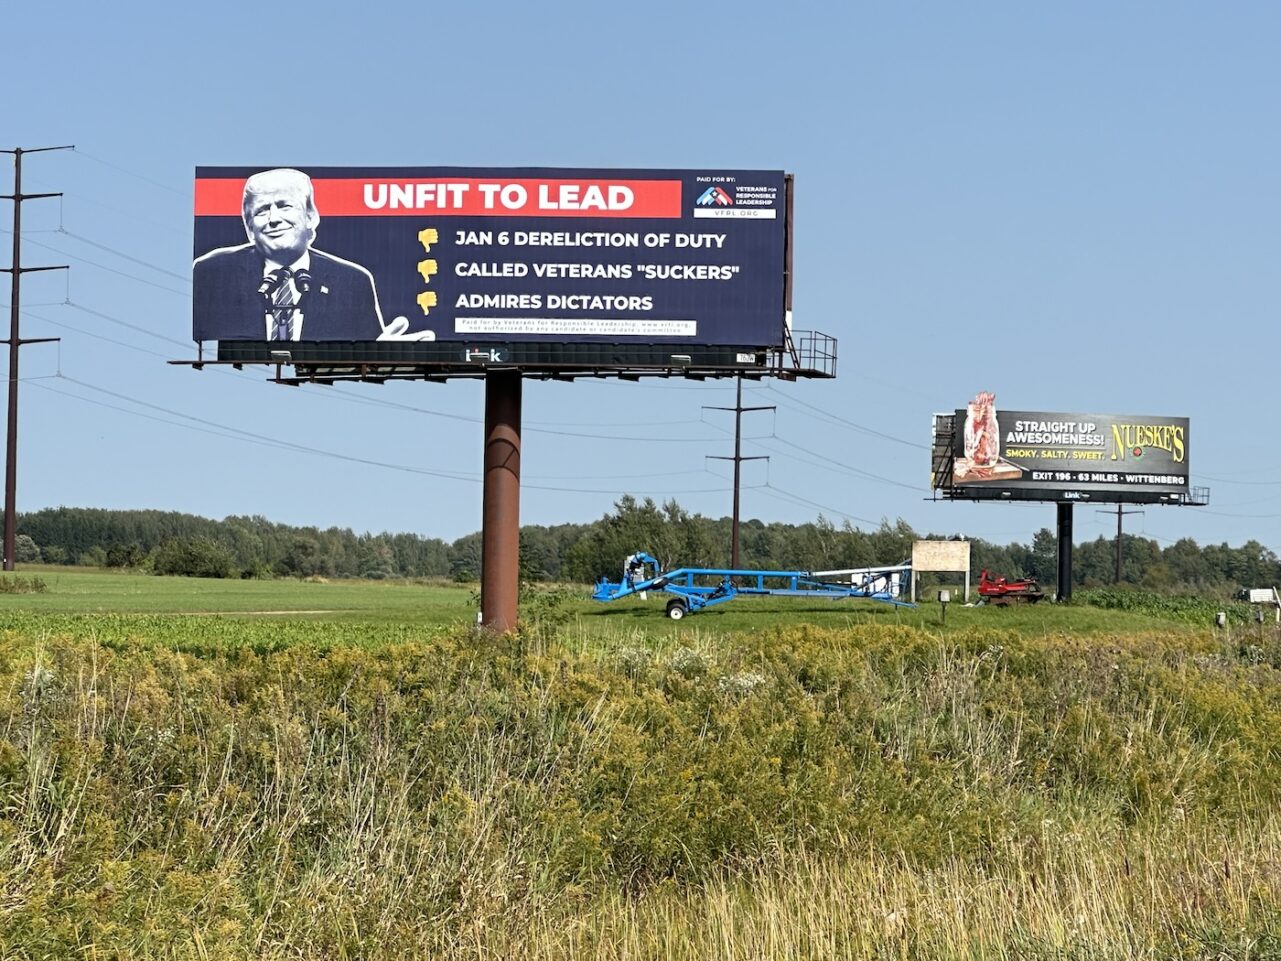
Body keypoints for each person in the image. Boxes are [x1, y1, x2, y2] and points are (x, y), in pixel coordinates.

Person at [193, 168, 385, 341]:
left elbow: (368, 350)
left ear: (310, 216)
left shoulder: (353, 282)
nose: (274, 219)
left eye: (285, 206)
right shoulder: (212, 274)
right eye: (262, 210)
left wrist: (382, 352)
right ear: (249, 226)